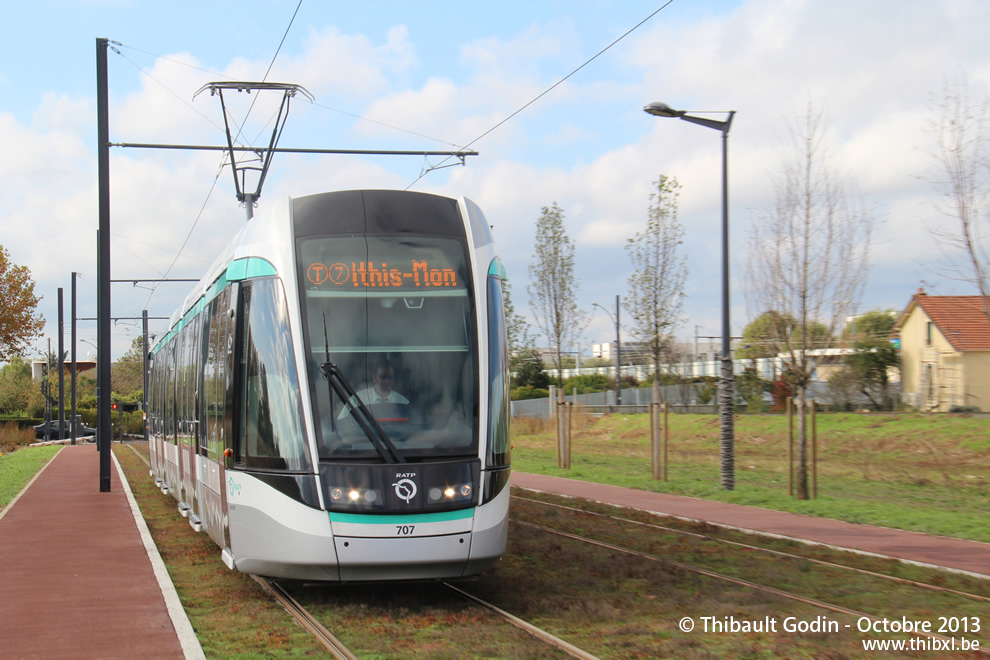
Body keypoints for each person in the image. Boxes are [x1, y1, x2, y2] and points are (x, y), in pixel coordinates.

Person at [338, 360, 409, 418]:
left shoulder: (402, 402)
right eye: (383, 376)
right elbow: (341, 423)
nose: (387, 380)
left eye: (390, 377)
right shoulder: (357, 399)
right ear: (374, 378)